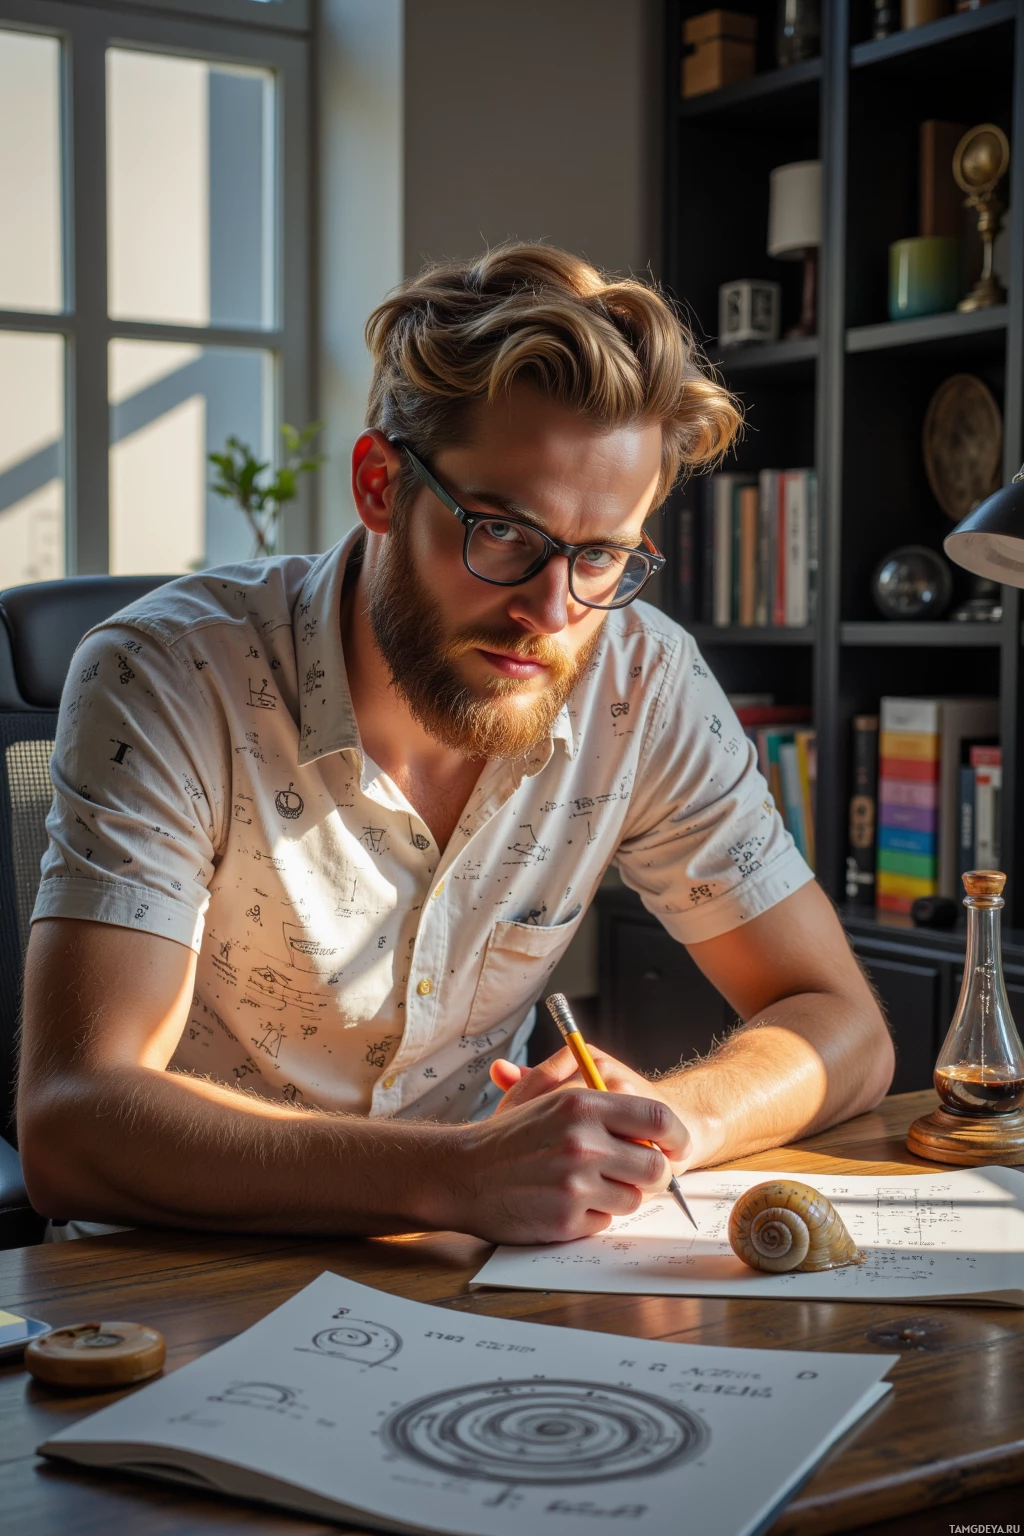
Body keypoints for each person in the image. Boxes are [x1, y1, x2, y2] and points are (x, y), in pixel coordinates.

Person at [18, 244, 893, 1244]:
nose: (550, 613)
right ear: (380, 485)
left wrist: (665, 1127)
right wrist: (458, 1174)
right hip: (182, 1274)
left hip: (480, 1268)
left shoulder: (640, 682)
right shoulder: (170, 673)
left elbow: (845, 1028)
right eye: (504, 534)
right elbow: (75, 1123)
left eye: (600, 555)